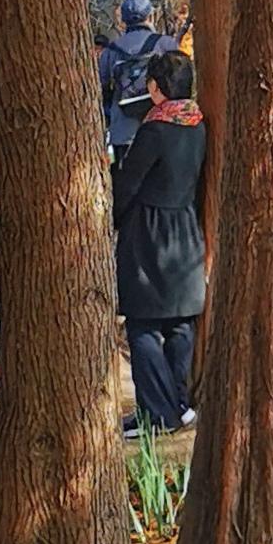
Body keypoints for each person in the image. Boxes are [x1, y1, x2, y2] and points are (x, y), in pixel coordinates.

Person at [112, 50, 207, 433]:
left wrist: (111, 217)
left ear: (155, 86)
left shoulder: (155, 129)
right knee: (180, 324)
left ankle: (157, 414)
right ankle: (179, 406)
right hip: (186, 231)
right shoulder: (198, 125)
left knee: (143, 325)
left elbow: (129, 183)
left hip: (149, 234)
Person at [95, 0, 173, 155]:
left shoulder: (111, 50)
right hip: (162, 126)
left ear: (124, 20)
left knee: (126, 171)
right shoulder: (166, 44)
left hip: (123, 131)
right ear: (149, 16)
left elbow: (101, 88)